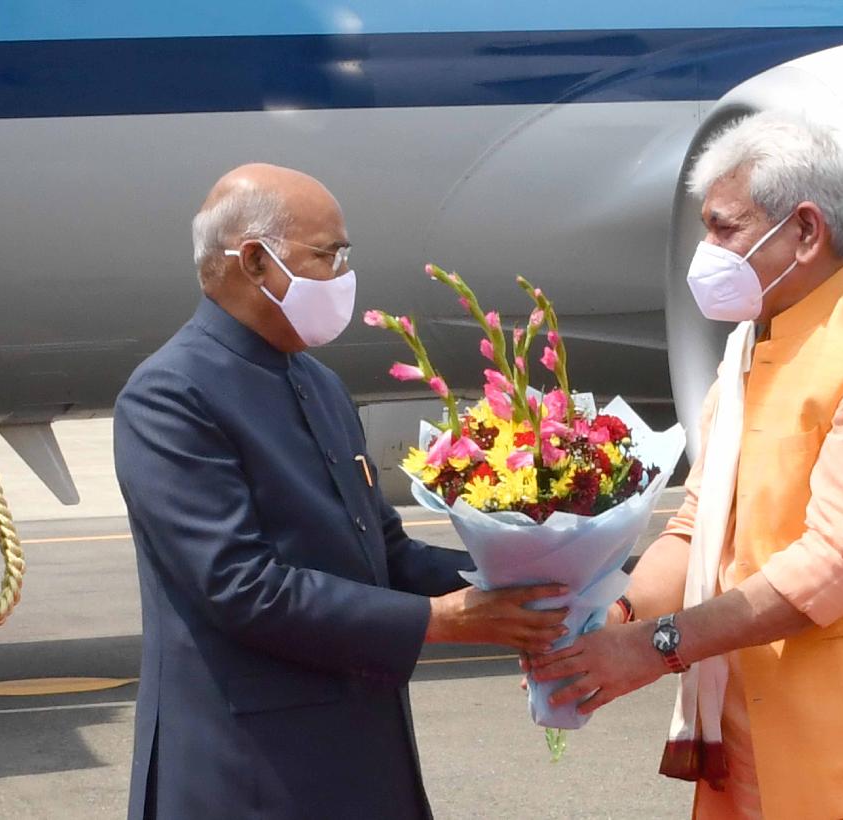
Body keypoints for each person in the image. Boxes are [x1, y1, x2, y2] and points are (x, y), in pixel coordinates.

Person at [532, 114, 843, 819]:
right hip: (756, 748)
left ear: (806, 231)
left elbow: (835, 564)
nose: (706, 253)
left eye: (724, 229)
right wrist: (613, 619)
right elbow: (699, 529)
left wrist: (655, 647)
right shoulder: (746, 353)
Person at [114, 163, 567, 819]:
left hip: (359, 758)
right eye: (329, 255)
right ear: (256, 261)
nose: (343, 275)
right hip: (247, 774)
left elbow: (384, 554)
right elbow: (241, 587)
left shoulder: (316, 383)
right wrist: (442, 621)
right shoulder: (171, 395)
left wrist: (536, 573)